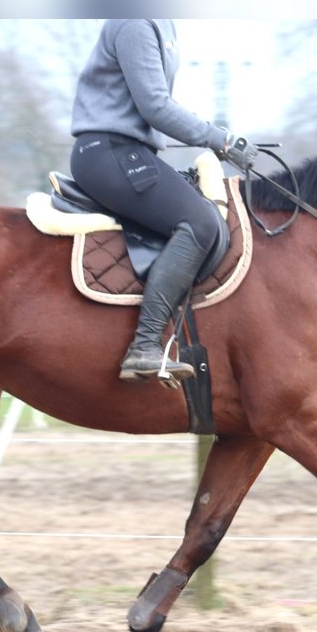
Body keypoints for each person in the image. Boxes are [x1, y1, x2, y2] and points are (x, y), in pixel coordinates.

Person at [70, 19, 258, 382]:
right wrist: (218, 139)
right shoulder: (135, 22)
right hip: (109, 151)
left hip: (133, 153)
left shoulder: (162, 24)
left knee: (208, 218)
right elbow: (154, 106)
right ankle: (144, 347)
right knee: (201, 224)